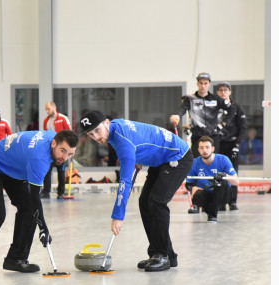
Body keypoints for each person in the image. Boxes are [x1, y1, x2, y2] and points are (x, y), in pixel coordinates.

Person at [80, 110, 193, 272]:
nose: (96, 138)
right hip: (159, 159)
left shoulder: (122, 141)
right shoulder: (115, 128)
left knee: (156, 201)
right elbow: (138, 143)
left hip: (177, 157)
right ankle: (160, 253)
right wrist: (138, 157)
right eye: (91, 135)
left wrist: (118, 216)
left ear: (106, 122)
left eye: (97, 131)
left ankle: (163, 255)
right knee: (144, 202)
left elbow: (125, 182)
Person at [0, 129, 79, 273]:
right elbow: (35, 197)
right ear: (54, 143)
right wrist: (43, 227)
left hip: (11, 169)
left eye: (70, 154)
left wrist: (41, 224)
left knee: (29, 209)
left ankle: (16, 259)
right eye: (62, 151)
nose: (65, 157)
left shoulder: (53, 137)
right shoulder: (39, 159)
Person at [170, 72, 230, 213]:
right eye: (200, 83)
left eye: (205, 83)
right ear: (197, 83)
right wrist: (177, 116)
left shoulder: (216, 99)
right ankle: (196, 202)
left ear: (209, 84)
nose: (203, 86)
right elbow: (182, 110)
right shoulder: (190, 99)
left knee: (216, 166)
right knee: (196, 166)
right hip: (198, 138)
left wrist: (222, 125)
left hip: (213, 137)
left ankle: (218, 201)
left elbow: (232, 109)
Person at [185, 136, 239, 223]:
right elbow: (188, 184)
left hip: (223, 194)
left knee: (220, 183)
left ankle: (212, 216)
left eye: (207, 147)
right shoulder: (194, 163)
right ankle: (212, 210)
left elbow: (236, 182)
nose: (204, 150)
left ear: (213, 148)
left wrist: (225, 175)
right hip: (207, 195)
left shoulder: (223, 159)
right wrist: (192, 188)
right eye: (202, 148)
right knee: (197, 195)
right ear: (198, 150)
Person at [214, 82, 246, 211]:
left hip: (232, 144)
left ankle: (232, 201)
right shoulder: (214, 107)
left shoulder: (236, 107)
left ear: (230, 92)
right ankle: (220, 201)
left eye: (225, 90)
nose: (223, 92)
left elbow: (243, 128)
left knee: (232, 172)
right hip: (217, 144)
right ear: (217, 92)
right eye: (220, 90)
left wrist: (237, 145)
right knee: (218, 173)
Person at [42, 102, 72, 199]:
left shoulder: (63, 118)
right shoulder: (46, 121)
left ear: (54, 107)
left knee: (61, 171)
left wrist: (69, 149)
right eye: (46, 109)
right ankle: (46, 192)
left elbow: (70, 134)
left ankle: (61, 193)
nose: (47, 111)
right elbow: (46, 135)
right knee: (47, 171)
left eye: (48, 109)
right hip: (50, 150)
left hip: (62, 150)